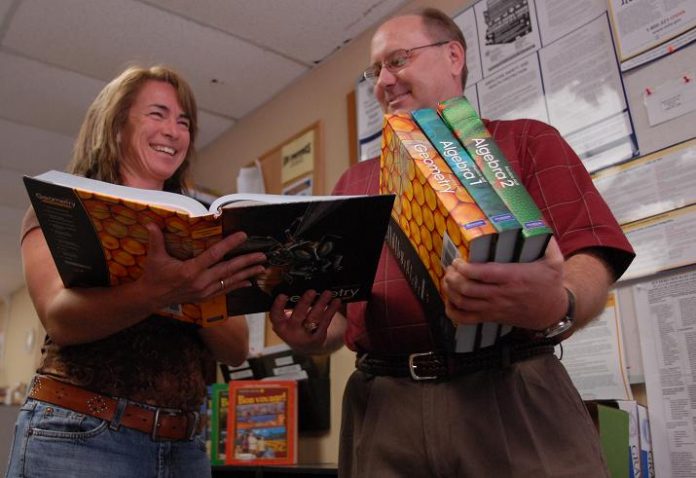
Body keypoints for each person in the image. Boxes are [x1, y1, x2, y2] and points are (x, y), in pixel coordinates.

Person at [269, 7, 635, 478]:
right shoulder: (354, 182)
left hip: (512, 389)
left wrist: (556, 304)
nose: (384, 81)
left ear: (454, 56)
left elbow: (592, 255)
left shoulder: (526, 140)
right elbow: (339, 319)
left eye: (397, 60)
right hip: (382, 407)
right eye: (375, 70)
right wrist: (313, 335)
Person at [5, 65, 267, 478]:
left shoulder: (205, 225)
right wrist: (154, 292)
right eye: (157, 114)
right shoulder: (63, 207)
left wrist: (195, 292)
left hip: (185, 449)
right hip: (79, 437)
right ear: (115, 126)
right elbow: (60, 317)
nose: (174, 131)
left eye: (183, 122)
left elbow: (235, 349)